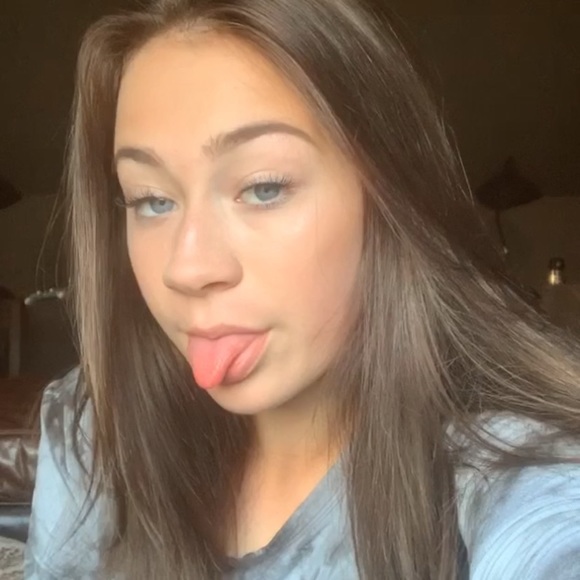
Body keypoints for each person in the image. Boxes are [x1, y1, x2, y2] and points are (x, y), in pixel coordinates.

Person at [25, 0, 580, 578]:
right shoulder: (96, 424)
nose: (186, 269)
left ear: (389, 199)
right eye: (151, 200)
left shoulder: (506, 467)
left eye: (264, 188)